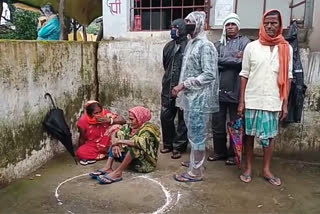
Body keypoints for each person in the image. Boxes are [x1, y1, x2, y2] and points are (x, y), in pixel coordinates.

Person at [238, 9, 293, 186]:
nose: (270, 26)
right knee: (249, 136)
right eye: (267, 23)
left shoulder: (286, 48)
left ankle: (266, 169)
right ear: (262, 24)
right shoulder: (251, 47)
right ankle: (248, 168)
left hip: (272, 100)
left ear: (280, 25)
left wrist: (285, 104)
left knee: (269, 138)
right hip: (252, 98)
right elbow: (244, 75)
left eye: (274, 23)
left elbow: (288, 77)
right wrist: (242, 101)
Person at [172, 11, 219, 182]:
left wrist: (184, 84)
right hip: (190, 97)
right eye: (185, 21)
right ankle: (196, 162)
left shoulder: (205, 46)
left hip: (199, 98)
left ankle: (196, 173)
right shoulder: (192, 43)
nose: (186, 24)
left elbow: (209, 74)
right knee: (193, 133)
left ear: (199, 23)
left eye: (189, 21)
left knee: (198, 135)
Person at [208, 13, 250, 165]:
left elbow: (244, 63)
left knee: (235, 125)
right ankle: (219, 152)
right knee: (217, 124)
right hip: (218, 90)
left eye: (233, 24)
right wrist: (235, 58)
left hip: (236, 90)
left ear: (238, 26)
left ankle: (233, 155)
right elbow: (212, 62)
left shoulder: (245, 42)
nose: (230, 27)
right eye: (227, 24)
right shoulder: (218, 44)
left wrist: (224, 60)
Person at [89, 106, 161, 184]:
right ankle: (108, 167)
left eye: (132, 119)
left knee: (135, 147)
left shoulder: (149, 129)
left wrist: (119, 141)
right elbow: (116, 133)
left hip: (145, 164)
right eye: (129, 119)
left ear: (140, 118)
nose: (129, 122)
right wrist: (115, 144)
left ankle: (118, 173)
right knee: (115, 138)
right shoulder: (131, 126)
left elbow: (138, 142)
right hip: (132, 161)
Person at [160, 19, 188, 159]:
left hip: (183, 88)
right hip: (167, 87)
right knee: (166, 116)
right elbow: (166, 65)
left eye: (176, 27)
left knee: (183, 119)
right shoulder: (168, 46)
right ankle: (168, 144)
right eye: (171, 27)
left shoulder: (189, 46)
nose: (172, 30)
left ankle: (179, 147)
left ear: (183, 29)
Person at [77, 100, 126, 165]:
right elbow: (82, 138)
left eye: (100, 112)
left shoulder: (106, 114)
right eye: (96, 113)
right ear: (89, 113)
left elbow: (123, 121)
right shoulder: (83, 121)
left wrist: (109, 120)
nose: (99, 115)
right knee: (80, 152)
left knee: (117, 127)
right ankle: (107, 154)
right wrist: (80, 151)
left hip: (108, 141)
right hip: (94, 144)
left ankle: (110, 152)